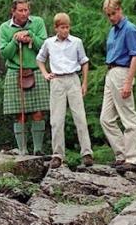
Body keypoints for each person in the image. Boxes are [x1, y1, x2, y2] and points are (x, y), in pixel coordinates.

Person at [36, 13, 93, 169]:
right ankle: (58, 154)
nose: (65, 30)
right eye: (62, 27)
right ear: (56, 28)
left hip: (73, 79)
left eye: (67, 27)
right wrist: (45, 73)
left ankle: (87, 153)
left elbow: (84, 62)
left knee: (80, 117)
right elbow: (40, 59)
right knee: (56, 119)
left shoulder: (76, 42)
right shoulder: (49, 43)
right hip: (57, 81)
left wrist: (84, 82)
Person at [0, 0, 49, 155]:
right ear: (13, 11)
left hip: (36, 69)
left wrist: (31, 36)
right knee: (19, 115)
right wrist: (15, 40)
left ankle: (38, 150)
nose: (24, 13)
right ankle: (22, 151)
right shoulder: (4, 28)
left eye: (26, 10)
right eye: (20, 10)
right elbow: (4, 53)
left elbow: (45, 46)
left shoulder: (38, 22)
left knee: (38, 112)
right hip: (15, 71)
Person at [100, 0, 136, 175]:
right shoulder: (113, 30)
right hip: (111, 71)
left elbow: (135, 56)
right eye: (108, 15)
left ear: (120, 10)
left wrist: (128, 82)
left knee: (128, 117)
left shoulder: (130, 29)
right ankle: (121, 154)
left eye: (113, 13)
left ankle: (134, 158)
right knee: (106, 118)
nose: (111, 17)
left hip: (123, 71)